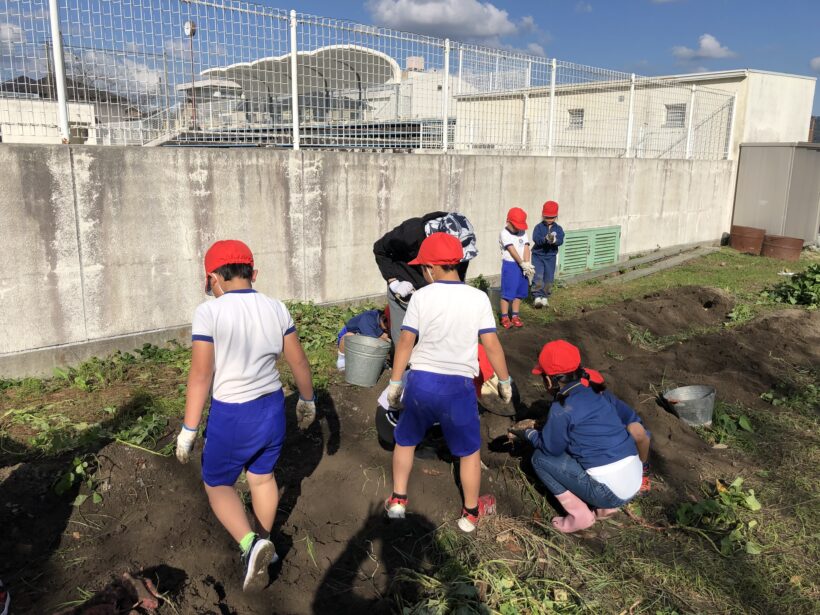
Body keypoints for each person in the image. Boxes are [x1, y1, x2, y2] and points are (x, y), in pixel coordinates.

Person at [174, 240, 317, 591]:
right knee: (263, 477)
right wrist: (308, 400)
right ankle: (266, 541)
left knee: (217, 482)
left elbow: (201, 375)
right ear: (253, 273)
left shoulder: (210, 312)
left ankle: (251, 545)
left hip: (233, 414)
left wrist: (189, 429)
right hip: (272, 408)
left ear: (212, 279)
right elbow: (297, 360)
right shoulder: (276, 307)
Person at [382, 233, 513, 532]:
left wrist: (395, 382)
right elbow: (491, 344)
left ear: (430, 267)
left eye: (422, 268)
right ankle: (469, 514)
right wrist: (504, 380)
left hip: (422, 383)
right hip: (459, 388)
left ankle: (399, 501)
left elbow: (405, 341)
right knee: (468, 452)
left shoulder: (422, 297)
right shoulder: (478, 298)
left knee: (405, 440)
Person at [509, 340, 643, 533]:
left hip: (609, 492)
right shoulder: (596, 389)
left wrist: (528, 433)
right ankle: (606, 507)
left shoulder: (562, 408)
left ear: (548, 381)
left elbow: (550, 448)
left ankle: (580, 516)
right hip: (634, 478)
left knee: (539, 459)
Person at [373, 211, 477, 345]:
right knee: (404, 338)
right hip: (404, 285)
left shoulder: (462, 241)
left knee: (435, 336)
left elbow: (459, 273)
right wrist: (393, 281)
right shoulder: (411, 232)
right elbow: (380, 249)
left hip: (434, 288)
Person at [583, 368, 652, 493]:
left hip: (623, 437)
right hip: (607, 444)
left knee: (637, 430)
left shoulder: (607, 403)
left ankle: (644, 469)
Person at [499, 207, 534, 329]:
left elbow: (526, 248)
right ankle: (504, 316)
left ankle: (515, 315)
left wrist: (527, 264)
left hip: (521, 266)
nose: (517, 228)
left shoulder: (523, 232)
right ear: (508, 221)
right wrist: (521, 263)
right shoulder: (504, 233)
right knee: (508, 292)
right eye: (515, 226)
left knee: (520, 291)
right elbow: (512, 250)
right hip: (511, 265)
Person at [531, 200, 564, 308]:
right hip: (538, 256)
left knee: (549, 277)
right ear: (543, 215)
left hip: (550, 256)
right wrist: (545, 239)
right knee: (538, 276)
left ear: (556, 216)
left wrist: (554, 240)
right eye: (547, 217)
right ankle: (537, 297)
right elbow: (535, 239)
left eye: (552, 217)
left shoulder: (558, 229)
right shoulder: (538, 227)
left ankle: (545, 297)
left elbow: (561, 240)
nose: (549, 220)